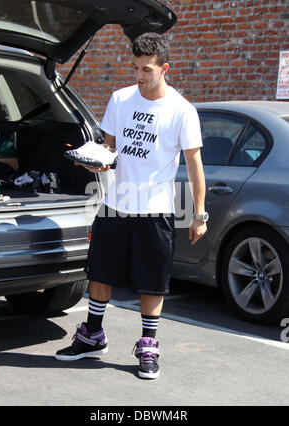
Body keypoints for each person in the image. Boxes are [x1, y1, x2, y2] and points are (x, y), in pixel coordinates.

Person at [55, 32, 208, 379]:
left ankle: (148, 346)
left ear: (164, 68)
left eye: (146, 69)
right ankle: (93, 335)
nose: (138, 75)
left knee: (152, 282)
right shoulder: (120, 99)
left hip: (156, 210)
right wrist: (99, 161)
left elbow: (196, 166)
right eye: (135, 67)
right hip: (115, 204)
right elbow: (109, 148)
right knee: (100, 273)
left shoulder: (182, 110)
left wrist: (199, 214)